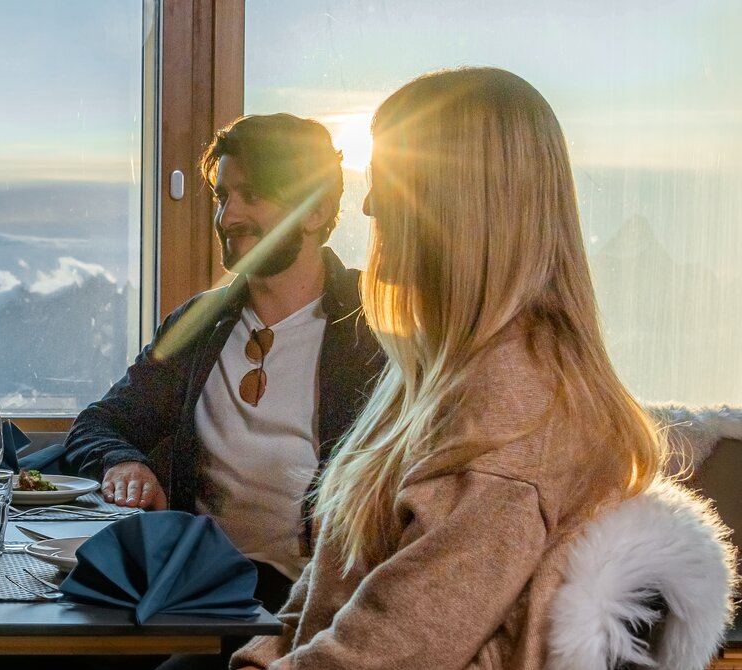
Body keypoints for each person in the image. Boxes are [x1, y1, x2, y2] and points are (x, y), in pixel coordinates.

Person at [233, 67, 667, 669]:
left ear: (454, 205)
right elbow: (330, 586)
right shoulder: (440, 370)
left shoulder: (510, 411)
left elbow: (388, 654)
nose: (367, 204)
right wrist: (262, 656)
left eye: (385, 181)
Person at [64, 113, 384, 619]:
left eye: (251, 196)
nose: (227, 216)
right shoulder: (200, 324)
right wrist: (124, 463)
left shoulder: (377, 328)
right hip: (193, 593)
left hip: (309, 610)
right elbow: (99, 423)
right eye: (221, 196)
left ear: (316, 211)